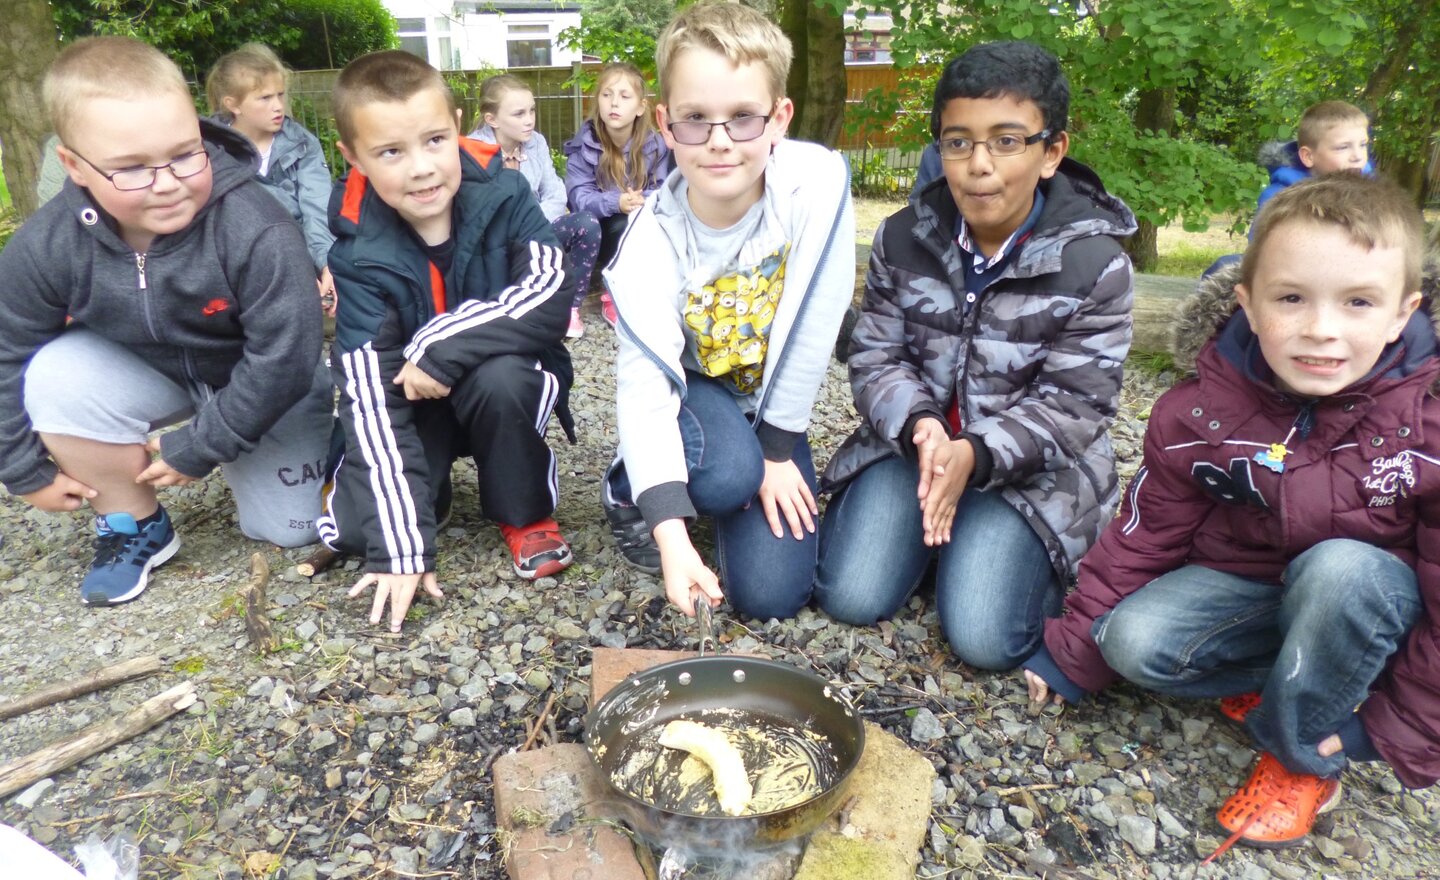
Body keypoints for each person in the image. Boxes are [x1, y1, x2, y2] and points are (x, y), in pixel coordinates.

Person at [1022, 174, 1440, 853]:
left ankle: (1303, 755)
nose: (1321, 330)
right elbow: (1144, 534)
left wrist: (1402, 728)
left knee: (1340, 572)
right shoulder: (1198, 409)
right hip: (1249, 589)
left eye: (1359, 302)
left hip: (1372, 603)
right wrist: (1071, 654)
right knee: (1129, 641)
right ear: (1247, 303)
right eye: (1291, 299)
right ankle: (1293, 678)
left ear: (1403, 312)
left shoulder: (1429, 427)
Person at [816, 41, 1136, 671]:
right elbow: (875, 355)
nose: (978, 165)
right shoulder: (904, 236)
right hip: (914, 449)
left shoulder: (1095, 263)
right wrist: (923, 428)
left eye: (1007, 141)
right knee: (849, 598)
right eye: (957, 142)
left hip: (1030, 473)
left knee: (985, 641)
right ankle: (935, 539)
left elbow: (1075, 406)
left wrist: (975, 453)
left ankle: (989, 552)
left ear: (1052, 152)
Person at [0, 37, 331, 605]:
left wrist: (202, 445)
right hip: (144, 369)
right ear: (74, 165)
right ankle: (134, 523)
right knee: (51, 372)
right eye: (130, 168)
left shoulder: (256, 224)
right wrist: (21, 469)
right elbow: (7, 348)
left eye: (184, 154)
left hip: (253, 377)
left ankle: (304, 454)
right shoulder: (46, 245)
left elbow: (288, 354)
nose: (167, 181)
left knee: (296, 529)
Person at [602, 0, 855, 620]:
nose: (719, 142)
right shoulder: (646, 245)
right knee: (727, 478)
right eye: (695, 119)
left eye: (743, 117)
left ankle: (740, 458)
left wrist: (776, 448)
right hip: (693, 391)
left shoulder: (816, 184)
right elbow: (644, 388)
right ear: (664, 123)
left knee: (772, 597)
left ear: (780, 118)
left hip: (768, 408)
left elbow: (816, 323)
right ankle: (633, 484)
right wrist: (671, 535)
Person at [319, 50, 577, 633]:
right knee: (366, 534)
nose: (421, 168)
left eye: (435, 140)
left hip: (497, 377)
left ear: (458, 125)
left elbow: (550, 292)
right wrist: (403, 553)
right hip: (412, 398)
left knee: (505, 376)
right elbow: (366, 389)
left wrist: (436, 344)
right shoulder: (355, 252)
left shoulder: (507, 194)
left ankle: (524, 510)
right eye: (390, 152)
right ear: (353, 157)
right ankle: (389, 488)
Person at [205, 43, 339, 314]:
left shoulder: (302, 143)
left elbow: (317, 209)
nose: (278, 106)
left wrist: (328, 265)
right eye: (265, 98)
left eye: (280, 95)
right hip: (242, 271)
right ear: (234, 105)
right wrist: (292, 271)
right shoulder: (209, 150)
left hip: (305, 256)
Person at [470, 74, 602, 339]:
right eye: (519, 114)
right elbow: (477, 209)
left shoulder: (536, 142)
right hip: (495, 241)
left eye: (531, 110)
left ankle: (569, 309)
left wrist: (533, 223)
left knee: (586, 224)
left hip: (537, 227)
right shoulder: (473, 150)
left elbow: (555, 191)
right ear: (491, 119)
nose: (529, 119)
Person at [563, 62, 671, 327]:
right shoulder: (584, 145)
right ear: (597, 100)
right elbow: (578, 197)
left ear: (640, 107)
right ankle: (612, 296)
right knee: (621, 221)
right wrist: (616, 202)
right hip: (600, 229)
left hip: (643, 221)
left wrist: (641, 200)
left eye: (624, 97)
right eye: (607, 95)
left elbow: (665, 188)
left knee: (643, 220)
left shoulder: (655, 145)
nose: (614, 104)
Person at [1256, 100, 1371, 214]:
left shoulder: (1372, 192)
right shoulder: (1280, 201)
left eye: (1363, 145)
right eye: (1343, 147)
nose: (1358, 156)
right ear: (1308, 157)